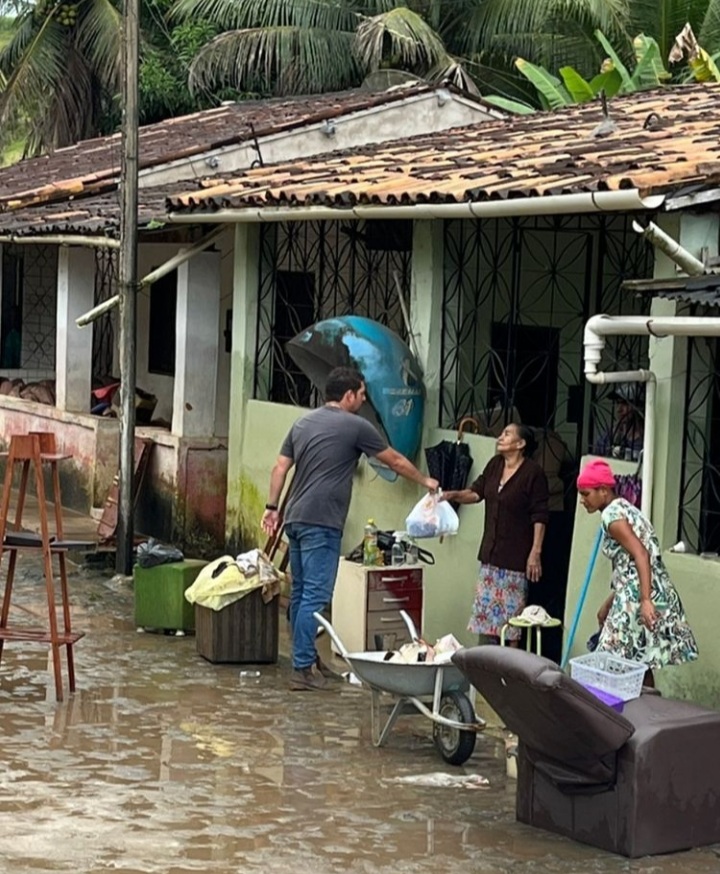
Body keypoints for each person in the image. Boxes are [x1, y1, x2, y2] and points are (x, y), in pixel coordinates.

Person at [261, 366, 439, 692]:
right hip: (322, 521)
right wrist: (425, 481)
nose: (363, 399)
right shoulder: (356, 426)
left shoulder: (302, 422)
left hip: (296, 518)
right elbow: (395, 461)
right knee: (315, 595)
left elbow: (280, 468)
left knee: (300, 593)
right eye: (361, 393)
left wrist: (272, 508)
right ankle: (301, 668)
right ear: (348, 396)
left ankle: (307, 659)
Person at [577, 458, 698, 686]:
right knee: (639, 660)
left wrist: (645, 600)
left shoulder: (611, 517)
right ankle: (649, 713)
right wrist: (611, 602)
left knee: (611, 658)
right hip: (646, 588)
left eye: (586, 494)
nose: (583, 501)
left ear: (603, 491)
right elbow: (630, 566)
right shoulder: (624, 507)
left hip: (639, 595)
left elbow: (641, 554)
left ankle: (616, 715)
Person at [442, 424, 549, 645]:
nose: (500, 437)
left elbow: (540, 515)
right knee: (485, 619)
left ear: (520, 444)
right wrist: (451, 494)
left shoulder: (533, 473)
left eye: (507, 434)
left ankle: (508, 672)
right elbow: (475, 492)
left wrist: (535, 552)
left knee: (511, 624)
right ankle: (487, 669)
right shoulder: (495, 465)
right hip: (490, 557)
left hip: (515, 560)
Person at [594, 384, 644, 462]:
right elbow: (596, 459)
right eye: (618, 403)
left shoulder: (646, 440)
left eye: (625, 404)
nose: (619, 409)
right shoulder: (610, 435)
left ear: (638, 407)